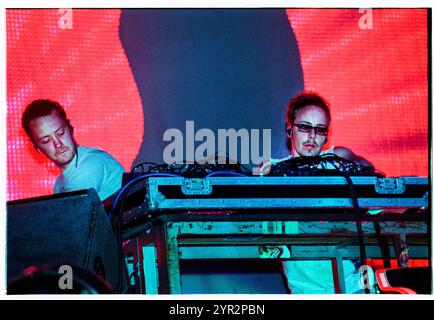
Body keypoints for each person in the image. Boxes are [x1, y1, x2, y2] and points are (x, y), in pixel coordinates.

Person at [261, 91, 376, 294]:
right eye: (305, 127)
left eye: (320, 129)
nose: (312, 136)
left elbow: (374, 178)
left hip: (355, 286)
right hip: (307, 291)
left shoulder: (337, 161)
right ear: (290, 129)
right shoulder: (275, 171)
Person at [21, 99, 125, 206]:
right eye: (46, 141)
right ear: (37, 148)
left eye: (60, 133)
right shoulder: (59, 183)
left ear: (70, 127)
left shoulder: (91, 162)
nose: (58, 144)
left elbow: (68, 212)